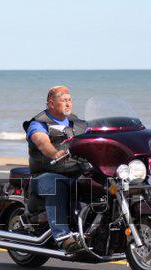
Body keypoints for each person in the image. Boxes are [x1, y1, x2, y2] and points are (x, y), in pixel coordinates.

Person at [22, 86, 86, 253]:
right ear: (51, 103)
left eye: (70, 100)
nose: (68, 103)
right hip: (45, 174)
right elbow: (42, 142)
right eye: (64, 100)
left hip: (75, 171)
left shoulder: (77, 122)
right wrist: (55, 153)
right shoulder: (39, 123)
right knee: (55, 184)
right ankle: (63, 237)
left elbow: (94, 137)